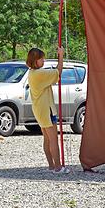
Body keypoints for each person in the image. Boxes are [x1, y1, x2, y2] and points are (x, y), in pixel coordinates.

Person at [26, 46, 67, 174]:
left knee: (47, 139)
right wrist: (61, 56)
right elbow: (58, 72)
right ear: (35, 60)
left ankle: (51, 165)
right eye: (41, 59)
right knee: (53, 139)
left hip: (39, 110)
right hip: (46, 110)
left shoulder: (32, 73)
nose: (43, 61)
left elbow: (53, 73)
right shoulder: (39, 74)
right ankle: (58, 167)